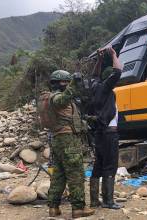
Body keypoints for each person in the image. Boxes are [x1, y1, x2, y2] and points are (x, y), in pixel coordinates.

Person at [45, 70, 95, 218]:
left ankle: (53, 208)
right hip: (68, 140)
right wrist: (73, 83)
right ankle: (78, 208)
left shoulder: (50, 98)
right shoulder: (56, 97)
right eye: (65, 82)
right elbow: (63, 100)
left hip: (58, 140)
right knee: (76, 174)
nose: (67, 84)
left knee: (59, 175)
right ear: (59, 83)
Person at [89, 47, 123, 209]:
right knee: (110, 166)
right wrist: (113, 55)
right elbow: (118, 71)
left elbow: (94, 75)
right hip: (109, 134)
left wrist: (100, 59)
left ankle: (95, 200)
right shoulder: (105, 88)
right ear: (108, 78)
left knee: (98, 165)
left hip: (99, 133)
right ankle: (108, 201)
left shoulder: (94, 86)